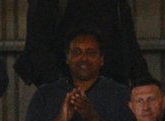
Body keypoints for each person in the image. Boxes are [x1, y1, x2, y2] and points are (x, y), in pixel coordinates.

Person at [14, 0, 148, 87]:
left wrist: (144, 83)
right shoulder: (50, 4)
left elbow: (128, 44)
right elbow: (38, 49)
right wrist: (62, 90)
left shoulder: (117, 4)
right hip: (65, 93)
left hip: (111, 92)